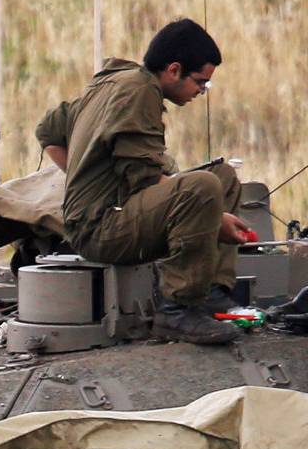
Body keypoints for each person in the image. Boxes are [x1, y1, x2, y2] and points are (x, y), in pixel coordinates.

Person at [34, 19, 246, 346]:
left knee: (224, 178)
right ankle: (177, 310)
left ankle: (212, 291)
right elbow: (145, 177)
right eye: (200, 83)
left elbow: (49, 131)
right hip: (100, 229)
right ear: (174, 70)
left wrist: (83, 172)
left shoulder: (115, 82)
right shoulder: (140, 91)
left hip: (110, 214)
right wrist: (214, 219)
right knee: (203, 188)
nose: (201, 93)